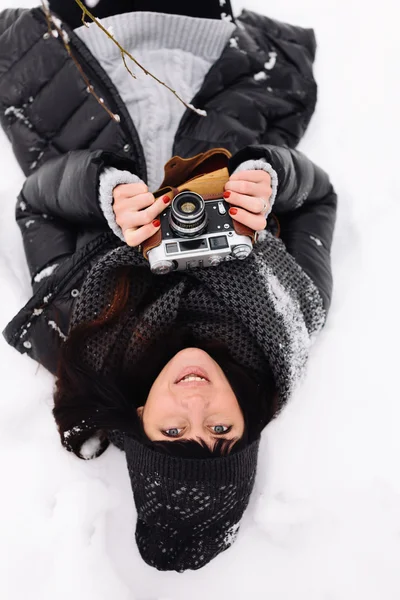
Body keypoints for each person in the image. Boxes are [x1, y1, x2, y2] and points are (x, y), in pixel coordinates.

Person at [0, 0, 337, 572]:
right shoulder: (288, 315)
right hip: (209, 57)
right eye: (223, 428)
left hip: (80, 65)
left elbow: (37, 205)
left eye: (174, 428)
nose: (196, 399)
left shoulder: (78, 329)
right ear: (249, 415)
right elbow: (318, 197)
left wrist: (100, 188)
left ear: (139, 415)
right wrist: (271, 177)